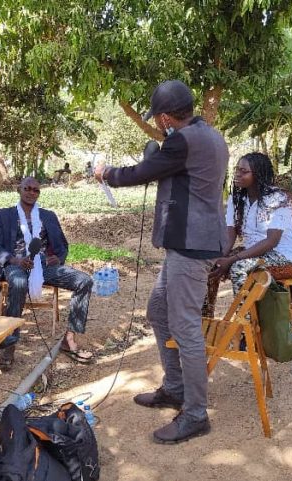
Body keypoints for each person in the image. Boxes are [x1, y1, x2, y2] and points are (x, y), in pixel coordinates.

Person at [95, 80, 228, 444]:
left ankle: (197, 414)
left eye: (160, 118)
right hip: (191, 242)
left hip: (191, 244)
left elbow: (141, 173)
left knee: (185, 327)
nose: (160, 123)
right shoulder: (212, 136)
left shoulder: (182, 140)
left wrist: (106, 174)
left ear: (167, 117)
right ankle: (174, 388)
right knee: (158, 308)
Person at [0, 177, 93, 367]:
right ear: (18, 189)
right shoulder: (3, 215)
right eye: (27, 188)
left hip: (44, 265)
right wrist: (15, 260)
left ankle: (69, 339)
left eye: (36, 190)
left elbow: (62, 244)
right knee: (19, 282)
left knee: (84, 280)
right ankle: (9, 347)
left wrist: (58, 258)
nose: (31, 193)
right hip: (15, 264)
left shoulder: (48, 215)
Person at [208, 153, 292, 296]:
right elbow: (230, 235)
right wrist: (220, 257)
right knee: (209, 264)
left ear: (258, 174)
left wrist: (233, 259)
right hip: (253, 253)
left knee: (238, 267)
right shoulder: (237, 199)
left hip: (285, 257)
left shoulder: (278, 199)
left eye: (244, 171)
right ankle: (204, 316)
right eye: (237, 169)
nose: (237, 174)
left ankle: (244, 316)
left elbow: (271, 241)